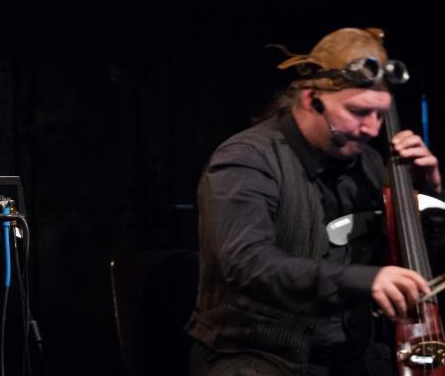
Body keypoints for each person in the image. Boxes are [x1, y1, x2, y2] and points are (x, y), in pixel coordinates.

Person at [187, 27, 441, 376]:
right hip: (259, 355)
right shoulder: (246, 160)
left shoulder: (369, 163)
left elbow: (407, 264)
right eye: (358, 112)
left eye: (380, 115)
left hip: (351, 357)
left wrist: (430, 193)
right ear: (311, 100)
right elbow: (247, 264)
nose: (373, 129)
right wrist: (364, 280)